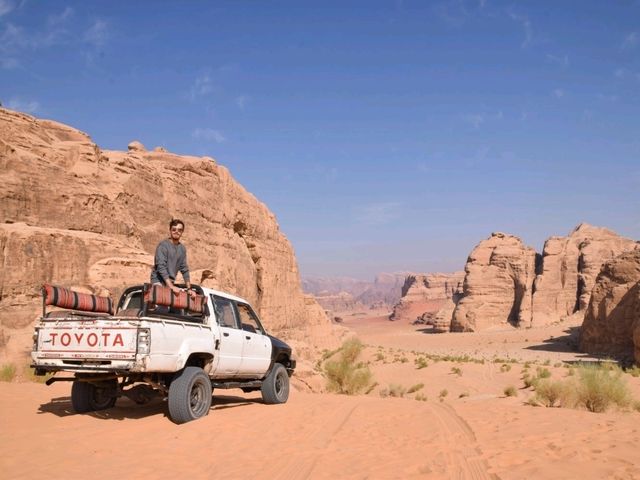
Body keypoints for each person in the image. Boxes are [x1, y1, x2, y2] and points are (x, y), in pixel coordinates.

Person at [150, 219, 196, 299]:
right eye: (174, 229)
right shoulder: (163, 246)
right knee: (162, 308)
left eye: (179, 230)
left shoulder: (182, 249)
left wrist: (189, 289)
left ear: (182, 232)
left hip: (170, 282)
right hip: (159, 281)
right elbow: (161, 267)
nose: (176, 232)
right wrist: (171, 286)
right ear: (170, 230)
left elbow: (184, 269)